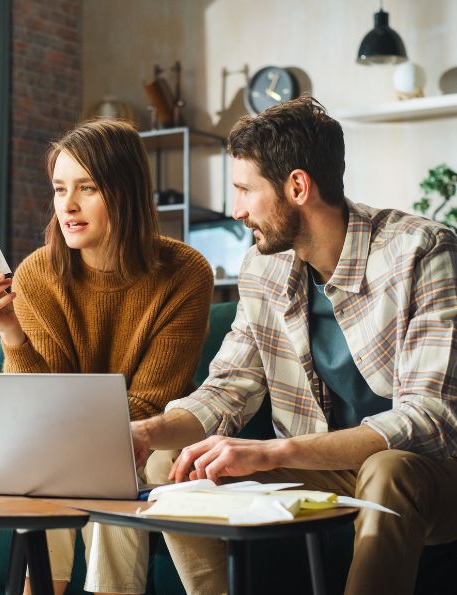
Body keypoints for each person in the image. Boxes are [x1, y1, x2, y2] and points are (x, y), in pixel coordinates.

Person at [131, 96, 457, 595]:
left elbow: (429, 418)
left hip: (425, 473)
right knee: (169, 463)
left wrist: (270, 452)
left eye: (244, 190)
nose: (236, 210)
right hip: (321, 470)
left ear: (297, 187)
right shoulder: (263, 268)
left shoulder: (421, 251)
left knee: (387, 470)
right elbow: (228, 388)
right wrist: (148, 431)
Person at [0, 119, 214, 595]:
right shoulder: (39, 273)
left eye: (88, 188)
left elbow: (153, 403)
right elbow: (36, 407)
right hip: (59, 446)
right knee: (50, 468)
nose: (68, 206)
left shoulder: (185, 272)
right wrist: (10, 334)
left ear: (126, 192)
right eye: (60, 189)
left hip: (143, 439)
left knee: (106, 474)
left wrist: (75, 435)